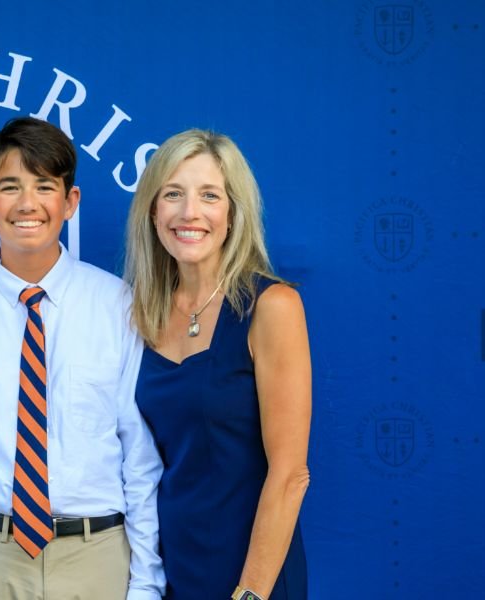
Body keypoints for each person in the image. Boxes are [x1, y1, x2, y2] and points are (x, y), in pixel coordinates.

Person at [0, 116, 165, 600]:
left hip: (95, 553)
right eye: (10, 186)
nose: (27, 204)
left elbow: (139, 458)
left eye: (44, 186)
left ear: (70, 202)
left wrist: (144, 584)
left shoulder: (115, 304)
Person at [125, 129, 310, 600]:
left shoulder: (272, 307)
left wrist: (249, 593)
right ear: (152, 210)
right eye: (173, 195)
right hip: (171, 571)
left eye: (209, 195)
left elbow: (289, 475)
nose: (190, 213)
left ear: (232, 213)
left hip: (252, 576)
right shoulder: (141, 314)